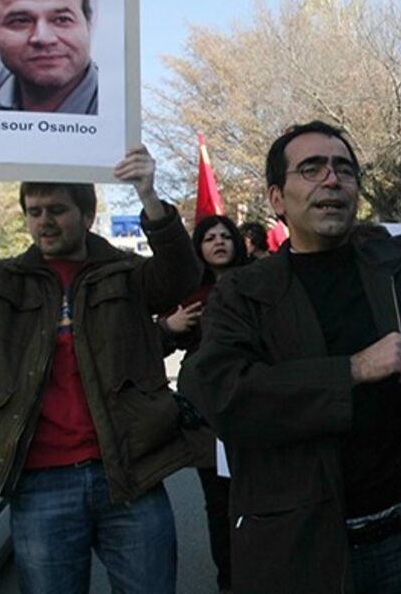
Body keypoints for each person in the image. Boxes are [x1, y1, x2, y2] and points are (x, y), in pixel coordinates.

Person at [179, 120, 401, 594]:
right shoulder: (243, 292)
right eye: (311, 169)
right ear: (277, 199)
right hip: (301, 548)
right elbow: (222, 393)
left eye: (344, 169)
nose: (332, 179)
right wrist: (352, 370)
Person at [0, 143, 199, 593]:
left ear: (87, 215)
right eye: (34, 211)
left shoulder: (125, 274)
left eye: (56, 210)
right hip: (39, 483)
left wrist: (149, 195)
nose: (44, 221)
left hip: (128, 477)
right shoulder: (1, 281)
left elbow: (182, 278)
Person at [158, 214, 249, 594]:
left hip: (255, 410)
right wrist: (169, 327)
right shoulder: (189, 296)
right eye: (209, 237)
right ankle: (228, 580)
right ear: (198, 247)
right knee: (220, 505)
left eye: (226, 235)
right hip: (208, 423)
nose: (219, 242)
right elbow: (153, 347)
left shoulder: (260, 283)